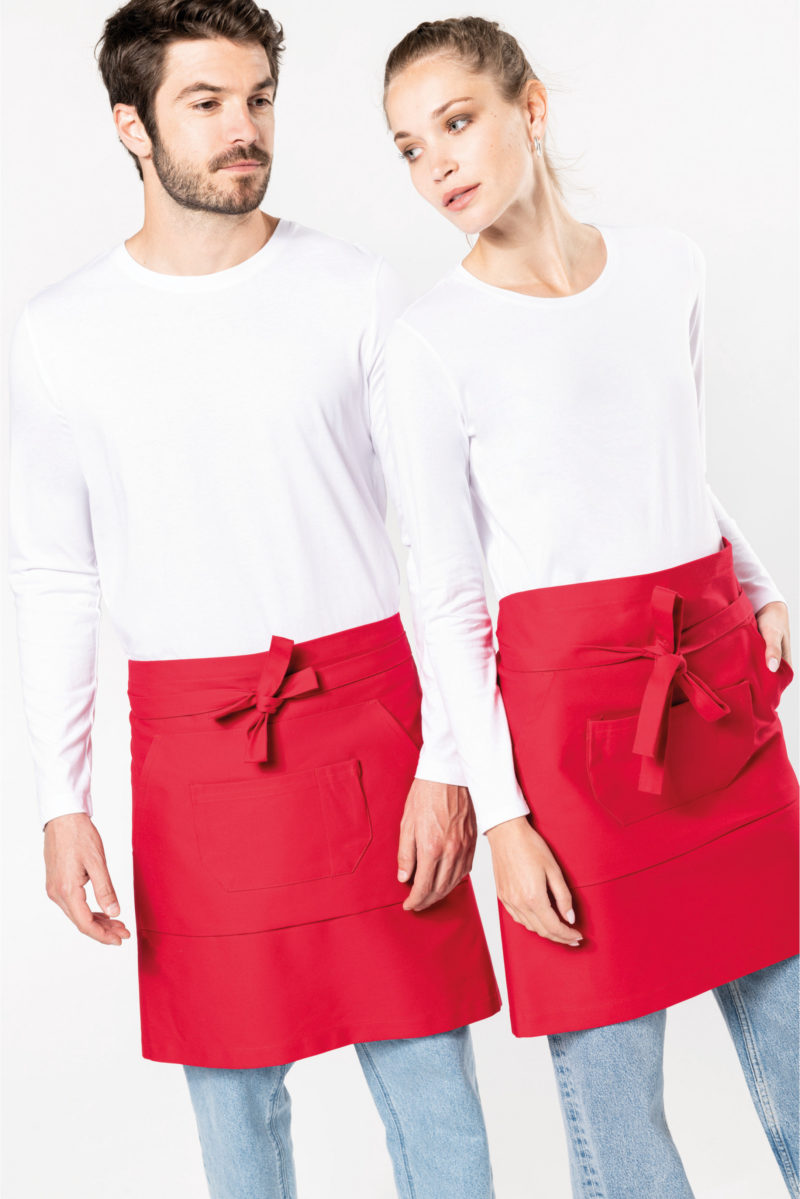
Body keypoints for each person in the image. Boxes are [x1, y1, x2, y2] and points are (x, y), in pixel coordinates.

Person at [8, 4, 503, 1197]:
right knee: (232, 1102)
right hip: (193, 753)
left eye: (259, 99)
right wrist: (60, 799)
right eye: (206, 102)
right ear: (131, 125)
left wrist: (450, 758)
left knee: (430, 1085)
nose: (245, 128)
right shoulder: (58, 333)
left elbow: (447, 543)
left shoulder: (353, 288)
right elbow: (57, 573)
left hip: (372, 731)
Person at [382, 16, 799, 1198]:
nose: (436, 164)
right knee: (613, 1106)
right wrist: (501, 816)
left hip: (709, 690)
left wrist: (757, 582)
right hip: (564, 745)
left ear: (529, 107)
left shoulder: (667, 267)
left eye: (455, 122)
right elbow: (446, 594)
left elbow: (670, 460)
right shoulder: (426, 343)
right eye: (409, 148)